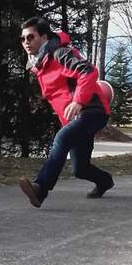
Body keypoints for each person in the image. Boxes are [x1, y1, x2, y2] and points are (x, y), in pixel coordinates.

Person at [19, 17, 114, 208]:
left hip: (92, 110)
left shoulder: (59, 54)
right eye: (23, 39)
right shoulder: (40, 65)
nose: (26, 42)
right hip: (76, 117)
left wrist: (79, 101)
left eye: (31, 37)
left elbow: (88, 71)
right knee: (80, 168)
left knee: (62, 139)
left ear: (44, 37)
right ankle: (105, 181)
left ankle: (40, 189)